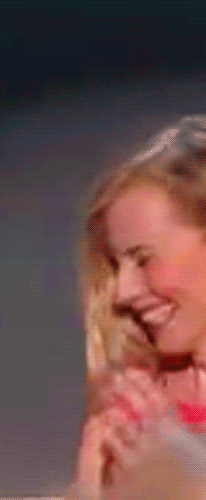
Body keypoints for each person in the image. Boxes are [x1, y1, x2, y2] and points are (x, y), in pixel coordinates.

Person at [71, 115, 206, 498]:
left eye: (143, 259)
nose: (122, 293)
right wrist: (87, 489)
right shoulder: (135, 409)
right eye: (116, 267)